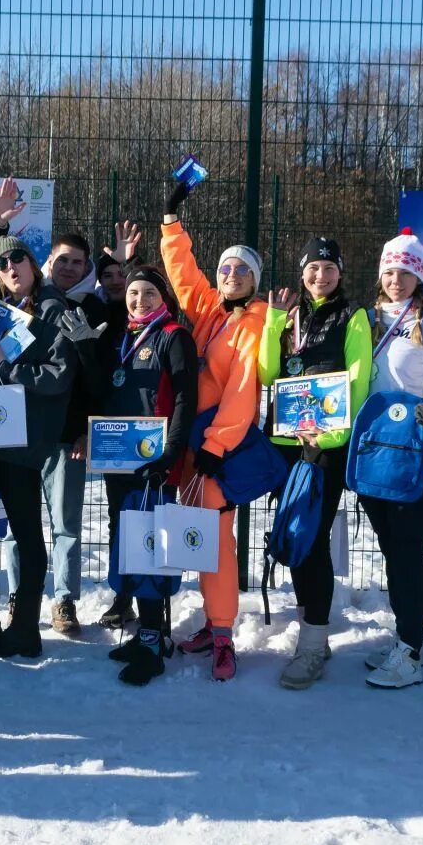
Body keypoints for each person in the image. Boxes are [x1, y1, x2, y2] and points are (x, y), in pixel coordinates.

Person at [0, 177, 88, 658]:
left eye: (18, 258)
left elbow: (59, 375)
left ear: (35, 265)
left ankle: (25, 627)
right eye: (3, 262)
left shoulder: (54, 311)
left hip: (24, 443)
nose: (9, 267)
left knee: (28, 533)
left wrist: (7, 367)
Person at [158, 183, 267, 681]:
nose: (230, 275)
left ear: (255, 281)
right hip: (188, 442)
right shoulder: (207, 312)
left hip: (214, 448)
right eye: (226, 268)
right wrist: (170, 220)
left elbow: (243, 388)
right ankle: (209, 619)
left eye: (241, 270)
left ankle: (222, 634)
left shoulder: (253, 323)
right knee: (194, 534)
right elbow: (183, 275)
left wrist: (216, 447)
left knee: (216, 539)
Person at [258, 236, 372, 689]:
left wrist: (333, 434)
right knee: (297, 537)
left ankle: (311, 645)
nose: (320, 276)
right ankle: (315, 632)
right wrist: (271, 324)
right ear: (301, 273)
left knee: (312, 539)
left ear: (340, 273)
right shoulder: (290, 316)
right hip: (288, 441)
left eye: (328, 268)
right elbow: (269, 373)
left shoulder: (354, 315)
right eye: (312, 269)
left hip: (326, 444)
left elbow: (358, 379)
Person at [91, 263, 199, 686]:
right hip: (120, 461)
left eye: (148, 295)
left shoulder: (174, 336)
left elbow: (186, 399)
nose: (139, 301)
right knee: (129, 542)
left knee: (152, 547)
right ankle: (147, 633)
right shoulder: (125, 337)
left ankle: (154, 642)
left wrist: (171, 452)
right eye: (133, 294)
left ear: (164, 299)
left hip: (155, 463)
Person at [352, 233, 423, 690]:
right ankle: (406, 639)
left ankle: (411, 648)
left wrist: (419, 425)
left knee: (408, 550)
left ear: (418, 276)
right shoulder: (364, 321)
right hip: (371, 451)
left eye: (405, 272)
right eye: (389, 271)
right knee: (392, 547)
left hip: (409, 452)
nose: (395, 280)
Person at [20, 230, 100, 635]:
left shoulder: (96, 308)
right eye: (62, 260)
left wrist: (88, 429)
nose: (69, 267)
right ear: (47, 264)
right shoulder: (26, 303)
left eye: (78, 262)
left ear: (87, 268)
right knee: (23, 523)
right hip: (24, 433)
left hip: (68, 436)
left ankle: (63, 600)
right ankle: (22, 595)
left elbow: (97, 380)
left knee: (65, 522)